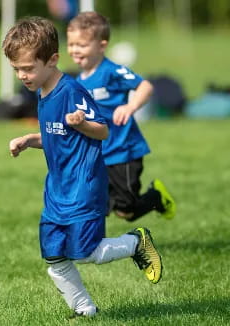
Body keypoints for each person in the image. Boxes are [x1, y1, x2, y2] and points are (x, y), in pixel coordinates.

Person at [2, 16, 163, 318]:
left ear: (52, 60)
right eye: (16, 69)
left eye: (27, 68)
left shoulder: (72, 91)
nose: (22, 75)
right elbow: (55, 135)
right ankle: (85, 310)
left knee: (87, 252)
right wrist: (28, 140)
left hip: (83, 187)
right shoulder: (42, 92)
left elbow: (102, 131)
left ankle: (135, 242)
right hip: (57, 190)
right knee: (55, 259)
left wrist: (82, 122)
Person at [66, 12, 176, 222]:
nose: (74, 50)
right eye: (71, 45)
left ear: (101, 45)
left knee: (126, 211)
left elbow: (145, 86)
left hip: (124, 152)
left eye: (81, 45)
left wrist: (130, 106)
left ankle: (157, 197)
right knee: (96, 205)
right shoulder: (79, 79)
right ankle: (92, 248)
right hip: (99, 153)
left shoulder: (112, 71)